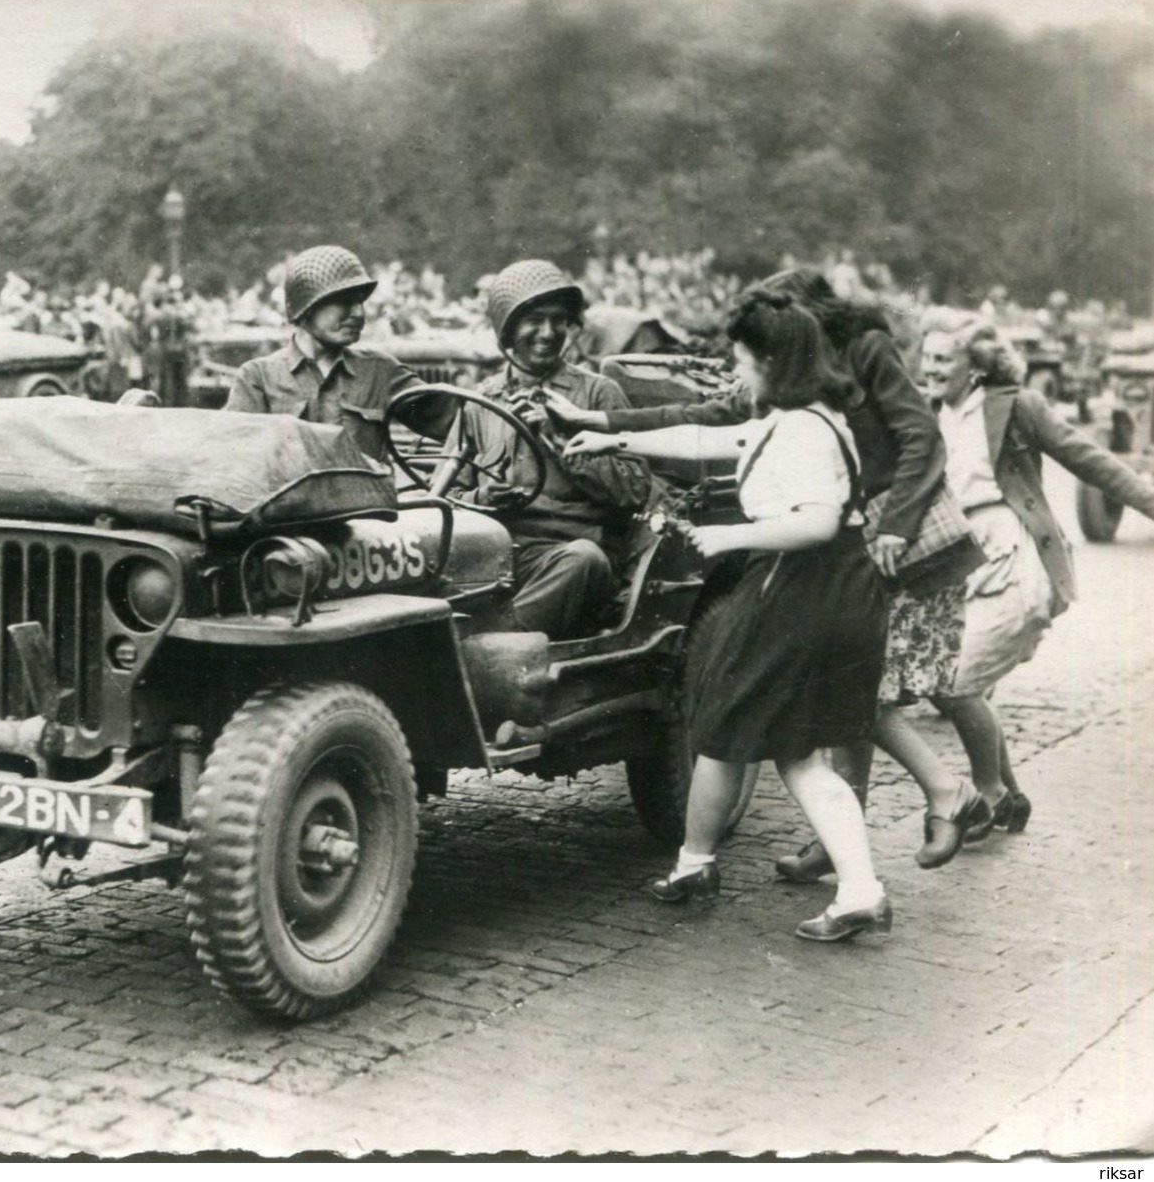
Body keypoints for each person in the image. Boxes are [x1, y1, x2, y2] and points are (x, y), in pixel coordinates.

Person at [575, 268, 966, 874]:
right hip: (849, 534)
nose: (741, 367)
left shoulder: (849, 362)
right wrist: (608, 427)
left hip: (887, 530)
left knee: (861, 693)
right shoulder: (787, 385)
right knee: (849, 695)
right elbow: (714, 421)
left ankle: (941, 796)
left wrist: (895, 525)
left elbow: (921, 438)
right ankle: (853, 845)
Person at [565, 292, 892, 942]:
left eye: (742, 359)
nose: (735, 371)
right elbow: (708, 436)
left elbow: (816, 522)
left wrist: (729, 540)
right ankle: (706, 864)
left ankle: (852, 889)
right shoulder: (801, 416)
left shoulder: (799, 429)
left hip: (804, 590)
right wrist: (613, 431)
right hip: (827, 591)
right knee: (753, 737)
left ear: (773, 361)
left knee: (767, 743)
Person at [910, 310, 1154, 830]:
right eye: (925, 356)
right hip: (959, 559)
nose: (928, 368)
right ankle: (1011, 798)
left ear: (973, 367)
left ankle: (992, 792)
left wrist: (1150, 500)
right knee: (950, 679)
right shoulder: (925, 410)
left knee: (956, 681)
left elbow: (1089, 460)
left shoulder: (1017, 406)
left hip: (1014, 555)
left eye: (941, 359)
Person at [444, 260, 650, 640]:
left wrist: (559, 442)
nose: (549, 333)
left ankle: (492, 648)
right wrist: (482, 495)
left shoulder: (597, 394)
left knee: (584, 560)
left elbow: (635, 490)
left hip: (572, 556)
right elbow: (445, 493)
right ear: (507, 329)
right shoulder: (479, 403)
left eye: (559, 320)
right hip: (498, 554)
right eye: (534, 320)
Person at [224, 245, 446, 461]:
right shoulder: (258, 378)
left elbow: (459, 420)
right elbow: (234, 463)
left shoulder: (379, 371)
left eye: (360, 302)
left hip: (365, 498)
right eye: (345, 302)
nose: (359, 314)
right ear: (307, 307)